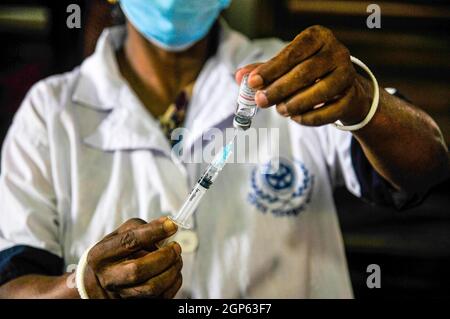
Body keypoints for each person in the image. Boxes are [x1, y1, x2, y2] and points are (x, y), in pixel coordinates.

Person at [0, 0, 447, 298]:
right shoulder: (50, 111)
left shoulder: (294, 70)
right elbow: (11, 286)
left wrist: (363, 101)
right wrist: (81, 287)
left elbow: (425, 166)